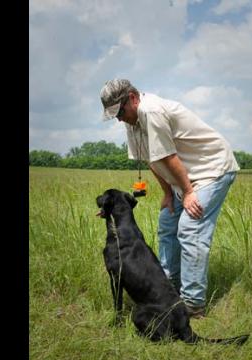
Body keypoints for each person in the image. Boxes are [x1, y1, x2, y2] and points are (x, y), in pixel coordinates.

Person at [99, 78, 240, 318]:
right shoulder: (131, 122)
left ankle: (193, 305)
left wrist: (187, 193)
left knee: (190, 227)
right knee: (167, 222)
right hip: (185, 176)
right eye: (114, 115)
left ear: (132, 98)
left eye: (120, 112)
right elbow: (153, 160)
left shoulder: (151, 112)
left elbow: (170, 156)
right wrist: (167, 193)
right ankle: (166, 291)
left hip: (211, 170)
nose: (119, 118)